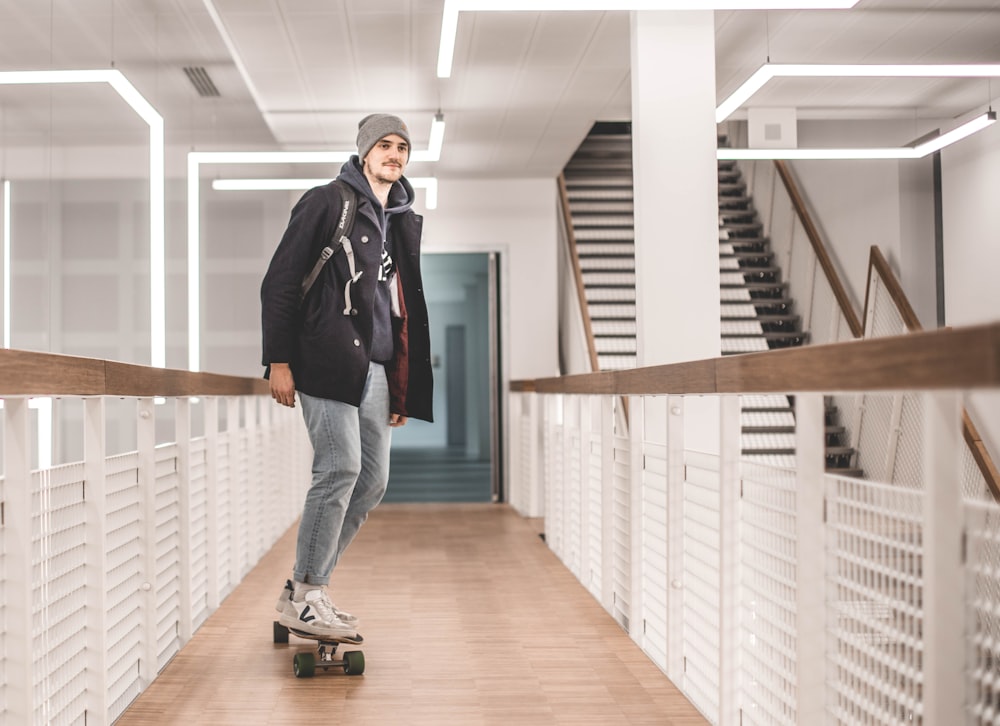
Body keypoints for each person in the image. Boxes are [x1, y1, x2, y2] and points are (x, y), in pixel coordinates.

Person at [261, 113, 434, 639]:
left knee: (372, 481)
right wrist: (280, 360)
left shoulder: (400, 218)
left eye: (403, 147)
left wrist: (400, 382)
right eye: (385, 145)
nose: (395, 155)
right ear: (364, 152)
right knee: (338, 470)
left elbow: (397, 306)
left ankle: (305, 590)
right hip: (325, 361)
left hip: (377, 366)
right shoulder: (327, 201)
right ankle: (310, 593)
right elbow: (281, 283)